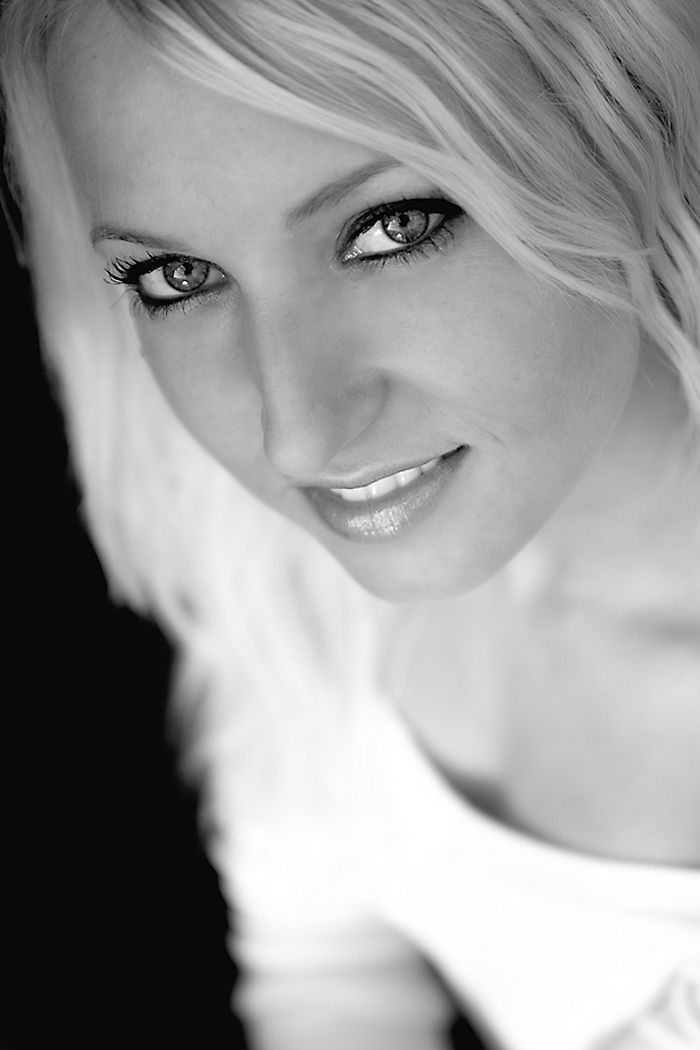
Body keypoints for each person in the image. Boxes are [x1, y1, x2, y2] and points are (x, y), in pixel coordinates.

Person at [1, 1, 699, 1048]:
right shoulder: (291, 586)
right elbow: (328, 980)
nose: (298, 436)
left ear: (642, 124)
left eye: (391, 228)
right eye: (178, 279)